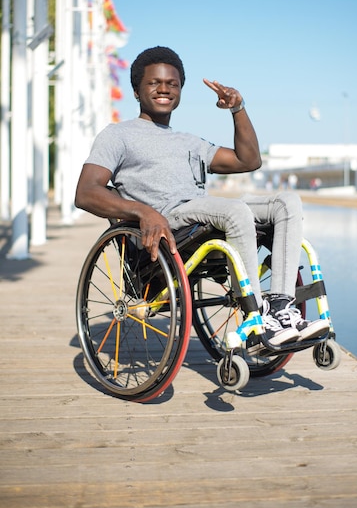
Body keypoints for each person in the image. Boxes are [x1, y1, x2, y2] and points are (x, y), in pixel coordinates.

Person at [75, 46, 328, 351]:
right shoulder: (118, 135)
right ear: (136, 91)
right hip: (169, 220)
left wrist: (238, 109)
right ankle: (256, 318)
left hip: (202, 214)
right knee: (234, 210)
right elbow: (86, 192)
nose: (164, 89)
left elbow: (248, 161)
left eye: (173, 84)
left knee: (288, 202)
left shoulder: (189, 141)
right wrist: (143, 212)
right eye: (154, 83)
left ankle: (279, 308)